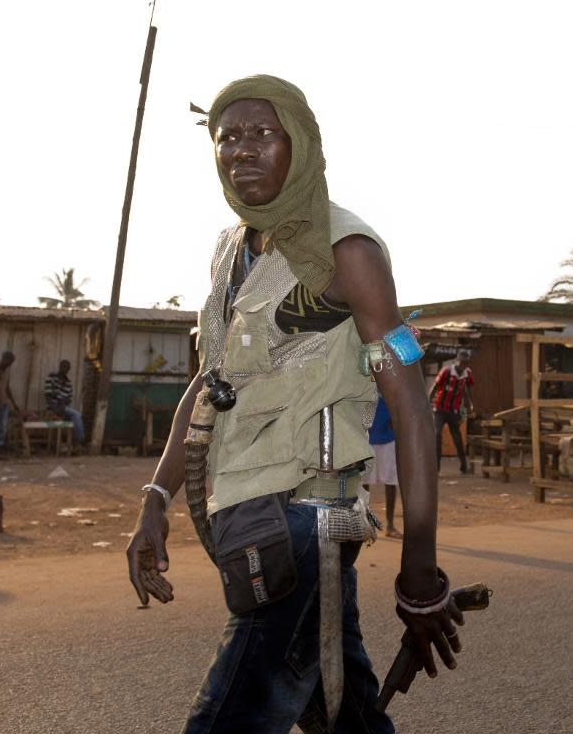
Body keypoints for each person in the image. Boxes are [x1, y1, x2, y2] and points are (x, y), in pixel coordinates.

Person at [127, 75, 463, 734]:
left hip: (310, 523)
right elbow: (210, 380)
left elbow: (408, 395)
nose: (241, 151)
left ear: (300, 144)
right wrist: (154, 500)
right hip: (248, 517)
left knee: (228, 719)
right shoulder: (230, 251)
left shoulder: (347, 250)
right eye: (228, 138)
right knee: (344, 713)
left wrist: (418, 562)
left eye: (263, 134)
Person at [430, 349, 474, 474]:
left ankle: (463, 466)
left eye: (465, 363)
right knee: (437, 434)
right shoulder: (447, 371)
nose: (463, 365)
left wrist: (470, 405)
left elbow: (466, 391)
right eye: (461, 362)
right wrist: (427, 403)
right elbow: (435, 387)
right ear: (457, 360)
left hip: (453, 409)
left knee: (457, 437)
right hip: (439, 408)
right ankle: (436, 468)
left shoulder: (467, 373)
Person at [364, 396, 402, 539]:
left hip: (388, 438)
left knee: (391, 482)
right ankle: (366, 524)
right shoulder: (364, 378)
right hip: (367, 437)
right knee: (364, 484)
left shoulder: (388, 379)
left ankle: (390, 525)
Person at [44, 360, 84, 447]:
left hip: (64, 407)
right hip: (54, 406)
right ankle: (78, 442)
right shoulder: (51, 377)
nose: (64, 369)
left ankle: (73, 444)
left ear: (69, 369)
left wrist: (63, 403)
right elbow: (48, 395)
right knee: (77, 415)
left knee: (76, 416)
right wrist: (55, 409)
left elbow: (69, 399)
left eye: (66, 367)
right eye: (63, 366)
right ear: (59, 366)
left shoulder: (69, 383)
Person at [0, 350, 19, 457]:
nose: (9, 364)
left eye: (11, 362)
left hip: (4, 402)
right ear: (3, 357)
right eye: (8, 361)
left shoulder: (7, 370)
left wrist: (14, 403)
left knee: (2, 426)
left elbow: (7, 387)